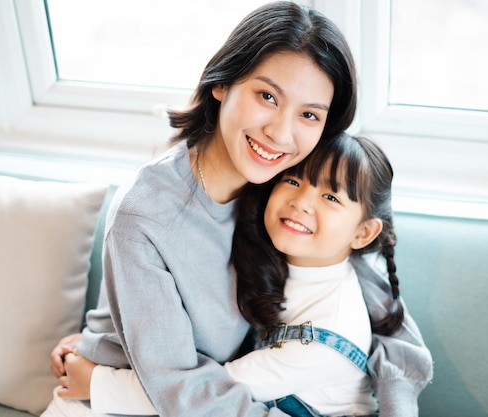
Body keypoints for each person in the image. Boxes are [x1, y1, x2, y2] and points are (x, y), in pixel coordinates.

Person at [43, 2, 433, 416]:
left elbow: (378, 308)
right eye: (267, 96)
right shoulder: (148, 214)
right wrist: (100, 371)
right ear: (223, 83)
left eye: (309, 114)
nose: (280, 132)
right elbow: (178, 388)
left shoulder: (285, 189)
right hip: (118, 401)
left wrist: (397, 395)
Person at [56, 133, 418, 417]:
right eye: (293, 181)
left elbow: (212, 394)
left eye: (331, 198)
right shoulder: (273, 255)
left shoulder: (326, 337)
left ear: (363, 233)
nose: (302, 201)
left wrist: (98, 383)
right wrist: (104, 344)